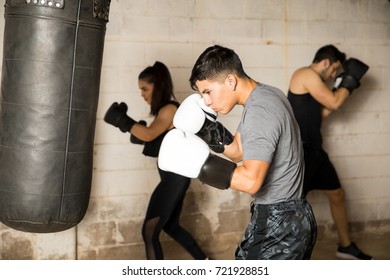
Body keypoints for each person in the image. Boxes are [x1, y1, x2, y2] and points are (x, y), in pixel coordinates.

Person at [158, 45, 317, 260]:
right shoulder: (265, 95)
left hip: (279, 224)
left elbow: (251, 181)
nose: (206, 101)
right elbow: (239, 152)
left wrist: (201, 165)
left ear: (230, 81)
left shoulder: (259, 111)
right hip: (292, 218)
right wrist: (206, 128)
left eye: (208, 91)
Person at [104, 61, 208, 260]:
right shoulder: (165, 110)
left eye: (145, 89)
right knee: (171, 226)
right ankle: (206, 262)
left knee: (149, 232)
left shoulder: (169, 108)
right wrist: (131, 127)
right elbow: (152, 140)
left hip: (174, 179)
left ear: (157, 86)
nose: (142, 94)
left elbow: (149, 134)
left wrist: (122, 120)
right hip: (174, 179)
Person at [287, 44, 372, 260]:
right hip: (300, 153)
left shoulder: (314, 87)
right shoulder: (305, 74)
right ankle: (284, 256)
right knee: (292, 206)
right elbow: (334, 102)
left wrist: (344, 90)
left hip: (315, 151)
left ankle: (345, 245)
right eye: (335, 69)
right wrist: (349, 81)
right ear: (326, 63)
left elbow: (323, 112)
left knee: (337, 194)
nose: (334, 75)